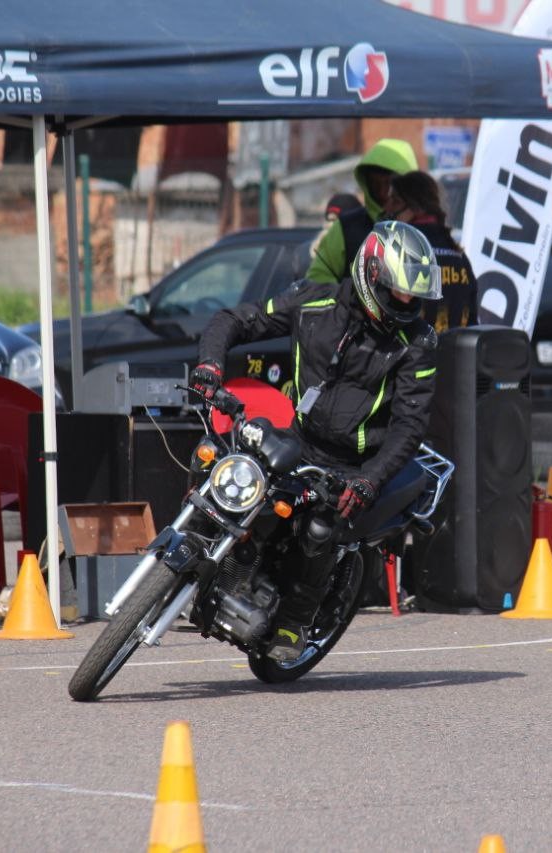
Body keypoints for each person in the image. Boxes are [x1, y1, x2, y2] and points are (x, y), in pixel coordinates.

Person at [192, 221, 442, 660]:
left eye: (413, 296)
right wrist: (210, 366)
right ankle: (206, 555)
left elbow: (409, 425)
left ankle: (293, 624)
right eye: (398, 292)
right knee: (217, 460)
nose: (406, 303)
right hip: (300, 439)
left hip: (355, 464)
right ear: (371, 275)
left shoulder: (417, 342)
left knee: (321, 527)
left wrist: (369, 480)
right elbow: (233, 320)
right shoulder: (313, 300)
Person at [306, 138, 418, 284]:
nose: (383, 192)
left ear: (409, 184)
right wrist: (352, 294)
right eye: (375, 184)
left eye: (389, 184)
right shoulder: (346, 228)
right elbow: (316, 281)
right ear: (366, 182)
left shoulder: (425, 227)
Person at [385, 170, 477, 332]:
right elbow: (472, 320)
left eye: (395, 201)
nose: (387, 208)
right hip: (455, 347)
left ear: (416, 207)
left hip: (415, 347)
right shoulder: (459, 255)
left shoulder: (401, 253)